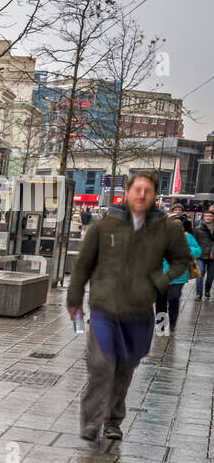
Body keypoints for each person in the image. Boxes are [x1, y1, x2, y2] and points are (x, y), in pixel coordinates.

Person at [67, 170, 192, 442]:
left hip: (138, 311)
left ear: (154, 195)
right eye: (137, 189)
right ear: (128, 191)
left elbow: (183, 261)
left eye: (147, 190)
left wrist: (160, 281)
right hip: (104, 307)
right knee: (101, 364)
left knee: (125, 366)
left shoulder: (167, 228)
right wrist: (74, 300)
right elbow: (83, 265)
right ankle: (91, 421)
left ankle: (113, 420)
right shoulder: (106, 225)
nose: (141, 194)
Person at [155, 217, 202, 333]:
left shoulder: (187, 237)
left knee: (173, 298)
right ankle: (161, 326)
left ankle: (171, 323)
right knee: (161, 301)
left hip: (178, 276)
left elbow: (198, 250)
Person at [193, 209, 214, 300]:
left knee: (210, 277)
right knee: (199, 274)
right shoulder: (198, 229)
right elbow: (194, 242)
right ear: (203, 217)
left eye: (210, 216)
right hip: (200, 256)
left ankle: (207, 290)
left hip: (212, 256)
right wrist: (195, 253)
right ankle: (198, 294)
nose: (208, 218)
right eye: (206, 216)